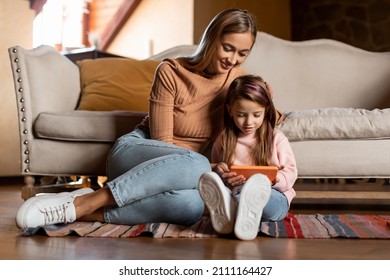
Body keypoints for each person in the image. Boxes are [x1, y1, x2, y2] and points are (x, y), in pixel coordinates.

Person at [15, 9, 261, 230]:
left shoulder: (237, 80)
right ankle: (86, 202)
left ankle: (87, 213)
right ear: (211, 40)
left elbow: (263, 114)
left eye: (242, 53)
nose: (233, 59)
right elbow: (162, 142)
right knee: (198, 164)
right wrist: (204, 167)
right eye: (227, 48)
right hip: (139, 153)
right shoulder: (171, 71)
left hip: (186, 173)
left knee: (191, 206)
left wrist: (264, 98)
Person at [198, 75, 298, 240]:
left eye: (256, 115)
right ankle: (235, 213)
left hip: (274, 196)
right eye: (241, 114)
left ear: (266, 110)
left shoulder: (276, 138)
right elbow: (219, 169)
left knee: (255, 193)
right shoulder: (223, 140)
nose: (248, 122)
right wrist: (222, 175)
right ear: (230, 110)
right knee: (235, 193)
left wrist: (271, 180)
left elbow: (291, 173)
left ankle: (234, 212)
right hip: (236, 193)